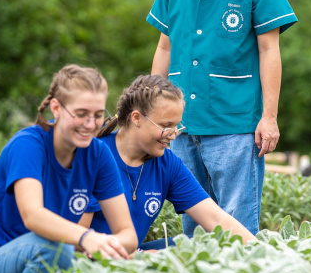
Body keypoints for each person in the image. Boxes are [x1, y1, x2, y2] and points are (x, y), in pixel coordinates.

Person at [148, 0, 297, 237]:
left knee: (236, 227)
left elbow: (268, 50)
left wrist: (270, 117)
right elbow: (164, 49)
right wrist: (153, 109)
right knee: (192, 224)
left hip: (235, 124)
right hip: (182, 124)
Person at [0, 65, 138, 273]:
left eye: (97, 115)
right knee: (56, 249)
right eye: (81, 114)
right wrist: (86, 237)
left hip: (34, 261)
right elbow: (32, 216)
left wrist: (105, 246)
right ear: (56, 108)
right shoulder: (28, 145)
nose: (91, 124)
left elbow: (128, 235)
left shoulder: (98, 154)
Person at [83, 75, 256, 249]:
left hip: (131, 253)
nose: (173, 135)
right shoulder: (93, 156)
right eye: (166, 125)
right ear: (136, 118)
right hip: (89, 257)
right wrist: (138, 257)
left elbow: (216, 218)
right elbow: (78, 239)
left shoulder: (167, 163)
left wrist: (267, 252)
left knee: (199, 244)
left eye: (177, 127)